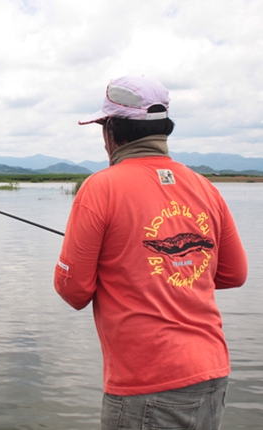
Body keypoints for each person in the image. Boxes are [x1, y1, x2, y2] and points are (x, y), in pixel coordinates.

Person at [53, 76, 248, 429]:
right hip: (212, 373)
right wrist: (180, 266)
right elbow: (234, 274)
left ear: (110, 130)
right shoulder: (204, 186)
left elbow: (73, 291)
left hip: (146, 386)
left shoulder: (100, 188)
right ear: (163, 129)